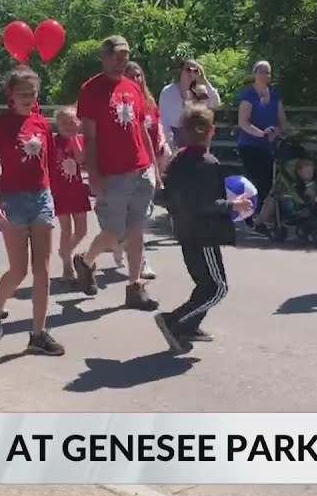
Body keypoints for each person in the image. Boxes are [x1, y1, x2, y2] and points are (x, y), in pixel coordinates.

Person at [71, 36, 160, 311]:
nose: (123, 60)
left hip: (140, 168)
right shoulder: (91, 89)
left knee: (136, 230)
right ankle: (85, 261)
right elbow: (89, 135)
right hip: (113, 173)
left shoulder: (132, 88)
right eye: (118, 55)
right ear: (105, 56)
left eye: (126, 55)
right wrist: (94, 174)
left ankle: (134, 287)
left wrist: (154, 166)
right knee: (113, 232)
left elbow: (142, 128)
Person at [152, 105, 249, 354]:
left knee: (204, 284)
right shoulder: (208, 163)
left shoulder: (177, 161)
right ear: (212, 131)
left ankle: (189, 325)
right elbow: (205, 203)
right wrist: (233, 204)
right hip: (204, 234)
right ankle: (174, 321)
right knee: (217, 287)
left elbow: (165, 197)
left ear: (183, 132)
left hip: (186, 232)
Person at [0, 67, 65, 355]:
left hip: (41, 198)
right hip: (13, 201)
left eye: (32, 94)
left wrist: (57, 197)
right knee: (18, 271)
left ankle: (38, 333)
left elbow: (50, 165)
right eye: (22, 94)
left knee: (42, 269)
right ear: (11, 95)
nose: (28, 99)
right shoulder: (1, 125)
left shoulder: (42, 124)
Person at [110, 60, 166, 279]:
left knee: (142, 218)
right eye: (131, 75)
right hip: (126, 165)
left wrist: (162, 142)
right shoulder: (121, 102)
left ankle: (142, 261)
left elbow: (156, 127)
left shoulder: (149, 103)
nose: (136, 79)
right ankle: (119, 243)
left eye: (139, 75)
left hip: (148, 162)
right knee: (125, 218)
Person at [235, 60, 293, 229]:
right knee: (257, 180)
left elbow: (282, 121)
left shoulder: (274, 95)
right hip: (250, 144)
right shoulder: (249, 95)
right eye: (261, 71)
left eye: (267, 72)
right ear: (254, 74)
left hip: (269, 145)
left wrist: (288, 132)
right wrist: (260, 133)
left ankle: (265, 216)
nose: (264, 75)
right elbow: (243, 121)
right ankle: (248, 213)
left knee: (270, 181)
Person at [50, 106, 90, 286]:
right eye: (64, 123)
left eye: (72, 122)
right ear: (57, 124)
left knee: (81, 229)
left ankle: (65, 251)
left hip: (77, 189)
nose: (68, 126)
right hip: (59, 190)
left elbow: (81, 160)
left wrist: (74, 139)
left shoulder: (80, 141)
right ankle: (67, 265)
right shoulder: (52, 142)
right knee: (66, 229)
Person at [158, 58, 220, 150]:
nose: (191, 73)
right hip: (174, 138)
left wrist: (204, 80)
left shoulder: (200, 91)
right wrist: (168, 144)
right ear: (180, 71)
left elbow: (216, 102)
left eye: (195, 71)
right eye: (188, 70)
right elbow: (164, 120)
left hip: (197, 138)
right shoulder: (168, 91)